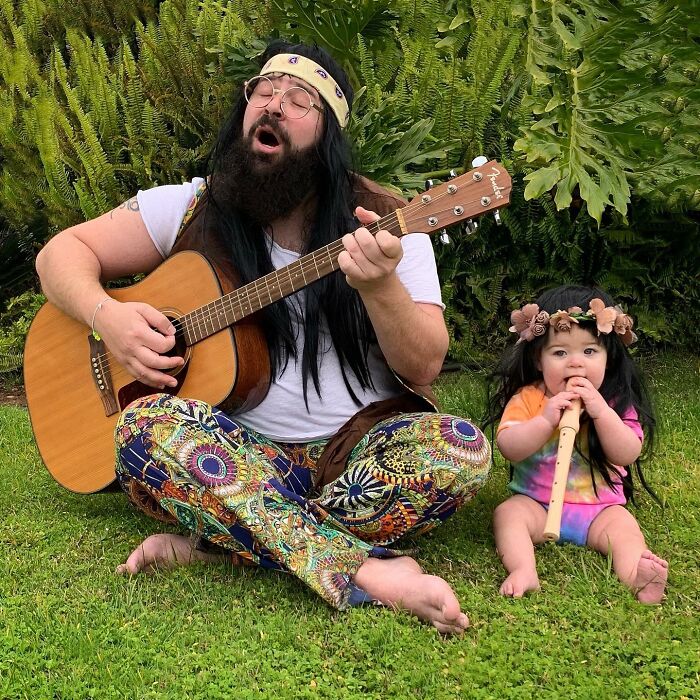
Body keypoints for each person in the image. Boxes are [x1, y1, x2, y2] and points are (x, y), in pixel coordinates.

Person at [35, 39, 491, 634]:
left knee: (461, 449)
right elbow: (59, 255)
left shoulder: (387, 224)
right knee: (144, 429)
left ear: (328, 137)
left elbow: (424, 364)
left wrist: (380, 288)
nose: (273, 105)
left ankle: (222, 537)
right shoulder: (194, 207)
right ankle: (364, 570)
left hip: (352, 457)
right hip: (233, 450)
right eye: (264, 91)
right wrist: (108, 317)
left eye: (300, 100)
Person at [484, 285, 668, 604]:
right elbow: (508, 446)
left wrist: (602, 413)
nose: (575, 364)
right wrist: (544, 421)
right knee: (507, 515)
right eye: (560, 353)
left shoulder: (614, 403)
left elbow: (627, 452)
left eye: (589, 351)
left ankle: (638, 576)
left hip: (600, 510)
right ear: (539, 360)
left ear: (608, 357)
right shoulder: (529, 398)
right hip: (537, 504)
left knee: (624, 530)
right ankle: (523, 569)